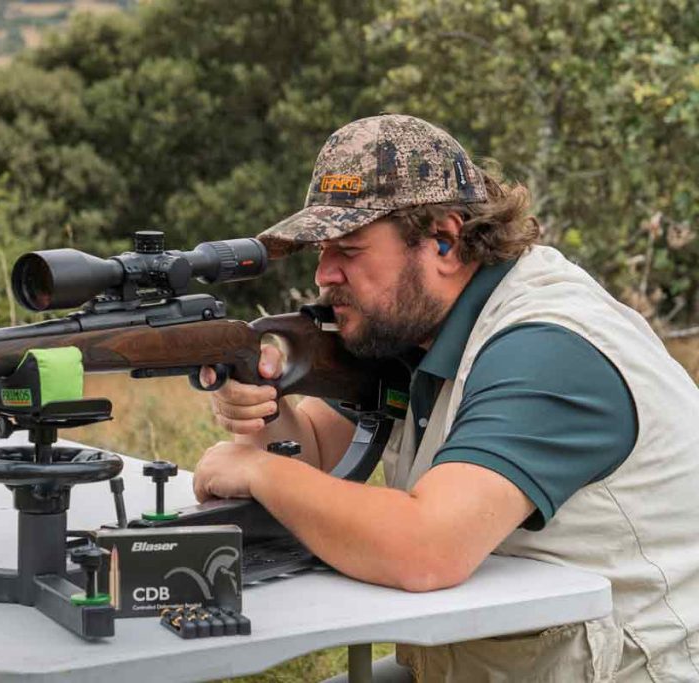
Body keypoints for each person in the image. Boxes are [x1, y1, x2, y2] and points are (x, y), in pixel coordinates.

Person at [192, 114, 699, 681]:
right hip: (504, 658)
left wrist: (258, 471)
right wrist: (268, 408)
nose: (324, 275)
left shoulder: (544, 348)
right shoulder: (417, 328)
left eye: (349, 251)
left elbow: (427, 549)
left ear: (446, 240)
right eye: (321, 252)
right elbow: (312, 450)